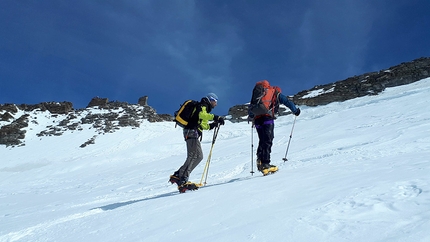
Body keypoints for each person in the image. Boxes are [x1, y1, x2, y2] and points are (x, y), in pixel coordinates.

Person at [169, 93, 225, 189]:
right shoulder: (202, 105)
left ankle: (179, 174)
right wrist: (216, 117)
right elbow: (202, 115)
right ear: (211, 100)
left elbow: (203, 125)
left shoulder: (203, 108)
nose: (216, 104)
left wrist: (213, 125)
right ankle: (182, 177)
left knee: (199, 156)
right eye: (215, 102)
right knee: (193, 155)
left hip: (192, 132)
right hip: (191, 131)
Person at [248, 80, 300, 175]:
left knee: (262, 139)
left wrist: (251, 117)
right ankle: (266, 163)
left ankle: (260, 159)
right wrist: (295, 110)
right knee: (268, 139)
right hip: (267, 118)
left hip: (257, 120)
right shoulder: (275, 93)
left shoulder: (259, 94)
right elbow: (287, 102)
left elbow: (252, 108)